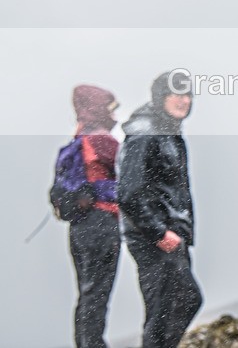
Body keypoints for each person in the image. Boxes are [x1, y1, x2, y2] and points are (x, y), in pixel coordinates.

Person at [117, 71, 202, 348]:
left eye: (188, 94)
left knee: (178, 303)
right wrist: (158, 233)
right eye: (176, 94)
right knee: (169, 307)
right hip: (155, 238)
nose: (184, 100)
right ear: (160, 97)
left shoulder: (168, 131)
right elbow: (129, 193)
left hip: (171, 235)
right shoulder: (146, 132)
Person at [67, 85, 121, 348]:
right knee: (98, 292)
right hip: (102, 222)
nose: (114, 115)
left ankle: (86, 343)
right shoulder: (102, 140)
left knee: (87, 291)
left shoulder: (76, 141)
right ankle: (93, 344)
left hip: (79, 227)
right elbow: (127, 178)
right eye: (110, 108)